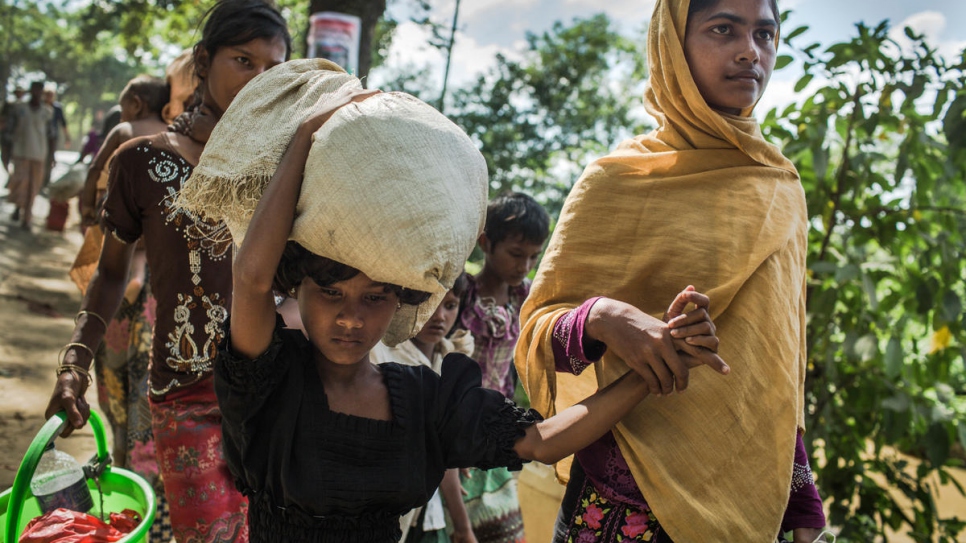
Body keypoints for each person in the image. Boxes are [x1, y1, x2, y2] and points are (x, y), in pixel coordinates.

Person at [198, 78, 726, 543]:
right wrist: (309, 134)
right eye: (332, 294)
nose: (352, 319)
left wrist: (650, 369)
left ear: (402, 299)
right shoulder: (266, 379)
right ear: (300, 292)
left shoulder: (424, 398)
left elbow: (543, 441)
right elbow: (250, 276)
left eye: (375, 297)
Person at [515, 0, 831, 542]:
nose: (748, 52)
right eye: (723, 29)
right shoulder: (615, 181)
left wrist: (800, 495)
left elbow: (776, 365)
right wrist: (605, 318)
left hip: (748, 503)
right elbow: (536, 332)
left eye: (764, 34)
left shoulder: (779, 187)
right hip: (620, 505)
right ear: (672, 46)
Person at [44, 2, 292, 542]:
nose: (258, 80)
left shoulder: (287, 170)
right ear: (203, 61)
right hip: (188, 396)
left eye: (273, 69)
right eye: (243, 60)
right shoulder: (141, 161)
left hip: (277, 395)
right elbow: (110, 275)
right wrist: (74, 364)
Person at [454, 191, 550, 542]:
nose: (524, 266)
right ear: (485, 243)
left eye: (532, 257)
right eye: (515, 254)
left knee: (503, 529)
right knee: (457, 524)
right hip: (456, 421)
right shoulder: (462, 294)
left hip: (496, 422)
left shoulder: (526, 296)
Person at [370, 273, 477, 543]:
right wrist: (463, 529)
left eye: (450, 306)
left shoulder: (451, 360)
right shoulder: (381, 354)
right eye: (429, 304)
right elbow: (440, 454)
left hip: (424, 511)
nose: (439, 316)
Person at [79, 75, 170, 228]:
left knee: (112, 250)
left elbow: (95, 168)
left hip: (122, 210)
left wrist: (88, 206)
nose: (121, 116)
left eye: (122, 108)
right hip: (159, 213)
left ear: (136, 104)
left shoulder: (124, 129)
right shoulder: (171, 133)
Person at [7, 82, 52, 230]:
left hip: (38, 154)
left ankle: (27, 217)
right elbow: (10, 127)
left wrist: (51, 157)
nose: (37, 93)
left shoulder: (46, 111)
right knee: (20, 183)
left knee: (33, 187)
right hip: (21, 152)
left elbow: (51, 135)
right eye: (35, 90)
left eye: (39, 90)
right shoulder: (20, 108)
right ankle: (18, 209)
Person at [43, 87, 71, 187]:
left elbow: (63, 123)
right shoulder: (40, 106)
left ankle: (46, 181)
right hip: (41, 137)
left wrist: (67, 137)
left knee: (50, 158)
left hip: (52, 137)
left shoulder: (57, 108)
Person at [1, 87, 26, 173]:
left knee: (17, 156)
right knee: (5, 155)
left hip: (19, 136)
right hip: (7, 134)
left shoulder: (25, 105)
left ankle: (14, 176)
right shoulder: (8, 104)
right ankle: (8, 173)